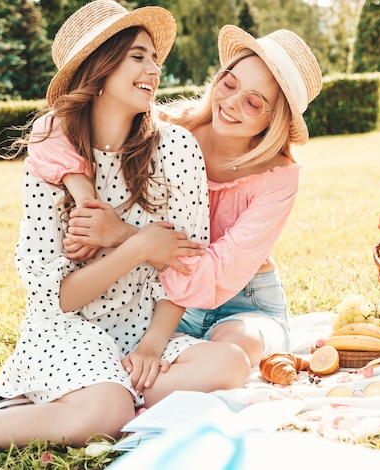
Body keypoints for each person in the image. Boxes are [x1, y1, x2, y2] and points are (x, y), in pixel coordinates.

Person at [0, 0, 249, 448]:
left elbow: (185, 265)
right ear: (98, 69)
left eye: (155, 58)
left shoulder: (177, 147)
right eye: (138, 56)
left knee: (230, 364)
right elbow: (56, 297)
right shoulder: (52, 153)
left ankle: (61, 400)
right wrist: (138, 248)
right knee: (106, 411)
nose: (154, 69)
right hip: (65, 329)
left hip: (136, 332)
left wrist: (152, 347)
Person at [21, 24, 324, 368]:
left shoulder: (278, 177)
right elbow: (54, 128)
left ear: (276, 119)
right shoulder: (171, 130)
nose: (232, 103)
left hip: (246, 298)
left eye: (254, 103)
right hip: (166, 299)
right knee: (134, 358)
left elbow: (219, 272)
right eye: (229, 83)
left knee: (238, 347)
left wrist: (123, 234)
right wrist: (88, 197)